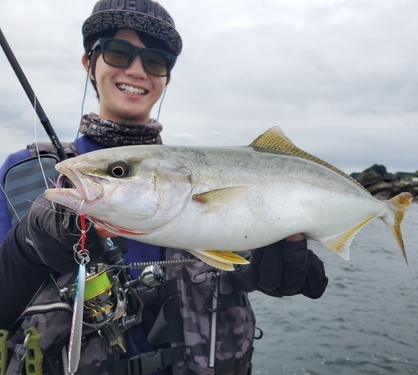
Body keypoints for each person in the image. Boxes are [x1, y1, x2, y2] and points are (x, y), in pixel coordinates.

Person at [0, 1, 329, 374]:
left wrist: (260, 267)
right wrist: (24, 251)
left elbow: (227, 255)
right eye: (119, 52)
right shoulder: (26, 172)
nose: (137, 70)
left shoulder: (202, 174)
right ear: (89, 62)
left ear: (167, 77)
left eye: (155, 61)